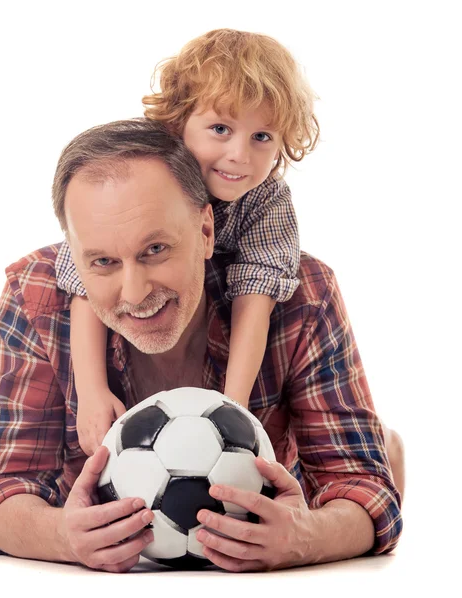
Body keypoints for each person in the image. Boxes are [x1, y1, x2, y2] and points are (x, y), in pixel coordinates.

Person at [0, 117, 404, 573]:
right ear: (72, 258)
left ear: (206, 230)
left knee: (372, 462)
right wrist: (62, 535)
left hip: (272, 504)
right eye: (103, 262)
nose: (134, 293)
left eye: (156, 250)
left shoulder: (300, 292)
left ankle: (387, 443)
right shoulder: (35, 296)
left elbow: (366, 490)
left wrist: (307, 536)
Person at [58, 29, 317, 457]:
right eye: (220, 128)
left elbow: (258, 294)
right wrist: (91, 391)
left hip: (217, 348)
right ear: (178, 122)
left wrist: (231, 409)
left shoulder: (266, 198)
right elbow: (87, 280)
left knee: (389, 448)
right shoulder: (141, 176)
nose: (240, 155)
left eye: (262, 137)